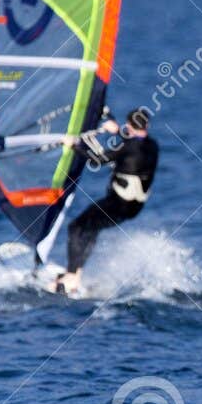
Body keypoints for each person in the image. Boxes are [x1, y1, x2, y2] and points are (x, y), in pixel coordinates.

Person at [48, 108, 158, 294]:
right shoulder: (153, 146)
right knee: (92, 227)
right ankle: (76, 273)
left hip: (118, 204)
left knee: (76, 227)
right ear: (147, 125)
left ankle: (71, 277)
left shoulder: (127, 147)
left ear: (129, 125)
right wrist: (119, 132)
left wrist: (74, 145)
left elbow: (97, 161)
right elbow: (136, 142)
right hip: (134, 208)